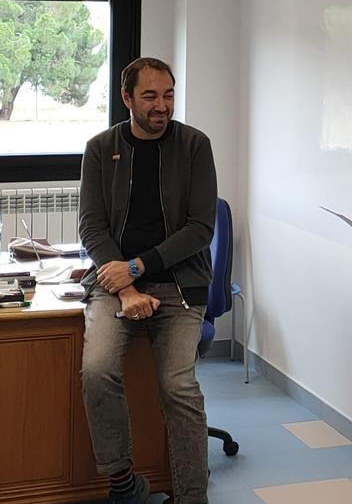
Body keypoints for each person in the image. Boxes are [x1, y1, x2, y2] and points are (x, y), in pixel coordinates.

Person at [78, 57, 217, 504]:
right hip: (115, 283)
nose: (162, 105)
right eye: (150, 96)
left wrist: (137, 268)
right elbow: (91, 226)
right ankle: (123, 481)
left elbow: (200, 228)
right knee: (97, 370)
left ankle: (191, 495)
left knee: (177, 385)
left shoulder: (194, 145)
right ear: (127, 98)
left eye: (169, 94)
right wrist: (125, 285)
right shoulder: (101, 148)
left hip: (180, 283)